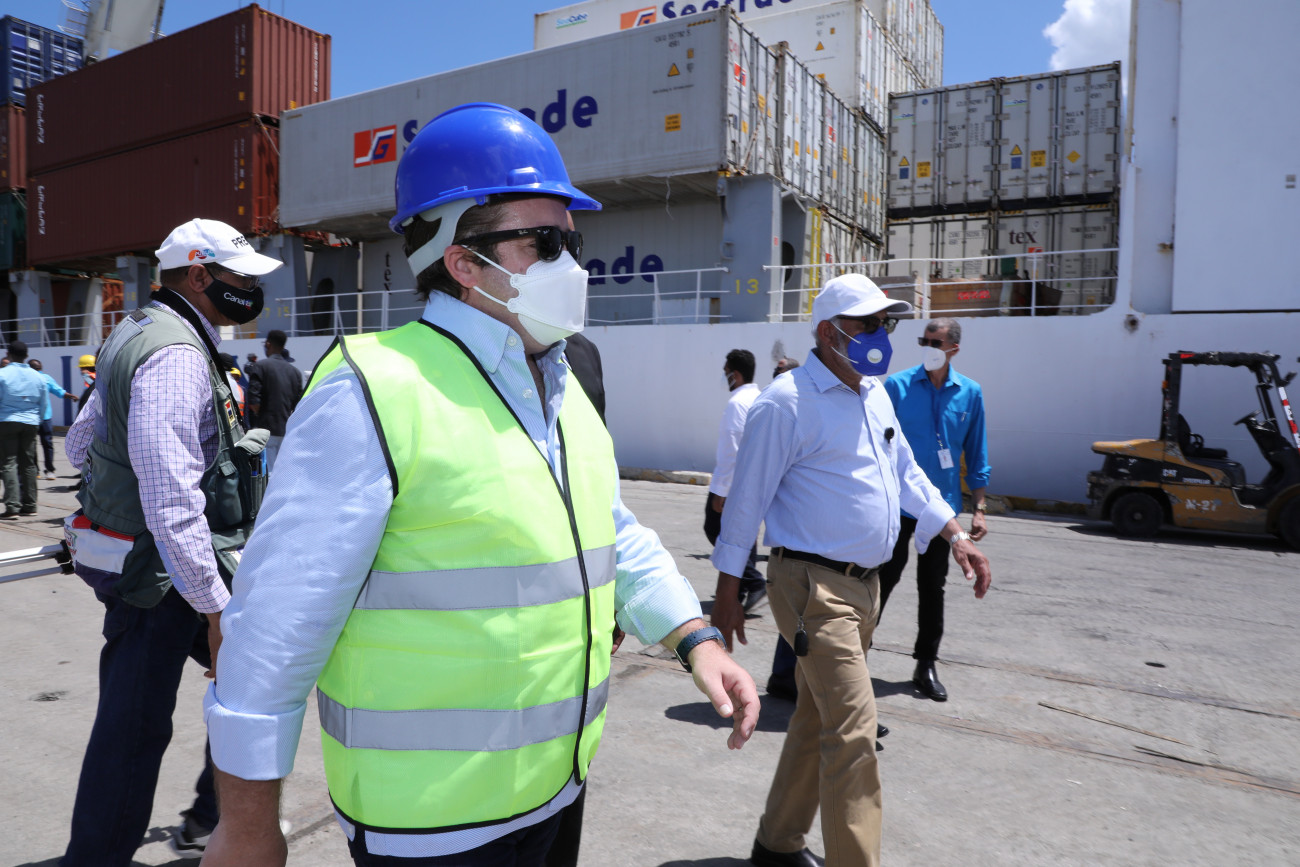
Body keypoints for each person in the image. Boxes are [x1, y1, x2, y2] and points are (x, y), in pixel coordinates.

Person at [201, 102, 759, 867]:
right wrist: (247, 826)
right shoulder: (372, 389)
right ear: (463, 262)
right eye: (547, 243)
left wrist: (693, 636)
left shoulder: (561, 384)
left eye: (574, 241)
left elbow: (610, 532)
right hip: (434, 827)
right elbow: (272, 628)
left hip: (555, 787)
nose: (572, 265)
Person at [710, 274, 992, 867]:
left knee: (818, 716)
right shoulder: (786, 403)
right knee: (856, 733)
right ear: (827, 331)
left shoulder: (874, 393)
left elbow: (908, 473)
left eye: (884, 324)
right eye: (866, 323)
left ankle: (776, 844)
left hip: (864, 587)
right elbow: (745, 503)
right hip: (811, 587)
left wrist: (955, 534)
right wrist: (727, 591)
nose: (880, 334)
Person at [59, 218, 283, 866]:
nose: (251, 290)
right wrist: (214, 608)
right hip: (166, 575)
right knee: (134, 729)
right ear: (199, 274)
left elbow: (79, 442)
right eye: (241, 278)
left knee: (246, 685)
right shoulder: (178, 355)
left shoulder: (136, 330)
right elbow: (170, 497)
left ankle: (212, 817)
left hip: (160, 562)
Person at [879, 318, 990, 701]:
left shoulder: (970, 393)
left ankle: (925, 663)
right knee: (882, 580)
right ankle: (855, 655)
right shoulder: (897, 386)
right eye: (923, 341)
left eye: (935, 342)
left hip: (942, 510)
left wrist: (979, 508)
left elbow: (977, 454)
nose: (928, 347)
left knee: (933, 587)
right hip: (897, 504)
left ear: (953, 348)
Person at [706, 348, 766, 611]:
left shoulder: (736, 403)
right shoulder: (759, 397)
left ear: (736, 375)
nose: (724, 377)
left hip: (732, 483)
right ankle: (740, 590)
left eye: (726, 372)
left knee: (714, 529)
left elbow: (731, 451)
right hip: (753, 481)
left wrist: (721, 490)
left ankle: (754, 581)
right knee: (745, 535)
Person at [0, 340, 47, 517]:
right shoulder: (38, 376)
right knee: (28, 464)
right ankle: (30, 505)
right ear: (27, 355)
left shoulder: (2, 374)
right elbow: (43, 404)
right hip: (31, 422)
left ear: (8, 354)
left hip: (7, 421)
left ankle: (12, 507)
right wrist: (37, 420)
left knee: (9, 463)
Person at [245, 330, 302, 470]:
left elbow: (254, 401)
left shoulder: (260, 366)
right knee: (282, 472)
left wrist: (261, 414)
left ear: (268, 344)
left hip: (265, 429)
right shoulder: (295, 372)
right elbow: (297, 405)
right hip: (286, 430)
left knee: (267, 473)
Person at [29, 358, 78, 479]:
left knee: (38, 444)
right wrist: (70, 396)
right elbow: (59, 391)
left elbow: (58, 391)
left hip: (38, 417)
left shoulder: (40, 378)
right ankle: (42, 470)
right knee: (41, 444)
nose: (39, 371)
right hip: (38, 417)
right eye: (37, 369)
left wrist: (70, 396)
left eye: (39, 369)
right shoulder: (40, 378)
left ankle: (42, 470)